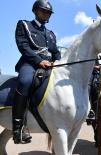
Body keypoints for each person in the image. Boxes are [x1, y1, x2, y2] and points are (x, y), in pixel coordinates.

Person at [13, 0, 61, 144]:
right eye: (43, 11)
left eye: (48, 12)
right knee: (25, 81)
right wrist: (39, 61)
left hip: (50, 65)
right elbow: (23, 46)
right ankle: (18, 128)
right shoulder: (24, 25)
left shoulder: (50, 34)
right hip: (30, 63)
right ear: (35, 11)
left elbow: (56, 52)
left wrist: (59, 63)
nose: (46, 14)